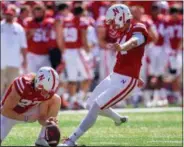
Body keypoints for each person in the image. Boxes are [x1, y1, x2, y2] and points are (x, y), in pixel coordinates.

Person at [59, 4, 149, 146]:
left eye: (113, 21)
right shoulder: (121, 34)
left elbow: (136, 41)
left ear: (121, 17)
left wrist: (124, 46)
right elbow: (129, 59)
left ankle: (72, 140)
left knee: (96, 106)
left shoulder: (138, 28)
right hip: (115, 76)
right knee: (90, 104)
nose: (112, 26)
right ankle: (118, 119)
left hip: (126, 80)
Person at [0, 67, 61, 146]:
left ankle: (42, 138)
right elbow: (5, 111)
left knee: (55, 99)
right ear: (38, 83)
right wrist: (26, 118)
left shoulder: (46, 91)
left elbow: (42, 116)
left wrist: (48, 123)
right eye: (45, 90)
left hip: (28, 110)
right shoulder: (23, 85)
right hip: (9, 114)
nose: (47, 94)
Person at [1, 7, 27, 96]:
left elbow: (23, 46)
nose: (9, 17)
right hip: (1, 60)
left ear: (14, 15)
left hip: (14, 61)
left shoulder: (19, 28)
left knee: (11, 85)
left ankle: (6, 104)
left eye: (10, 15)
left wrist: (25, 59)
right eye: (7, 15)